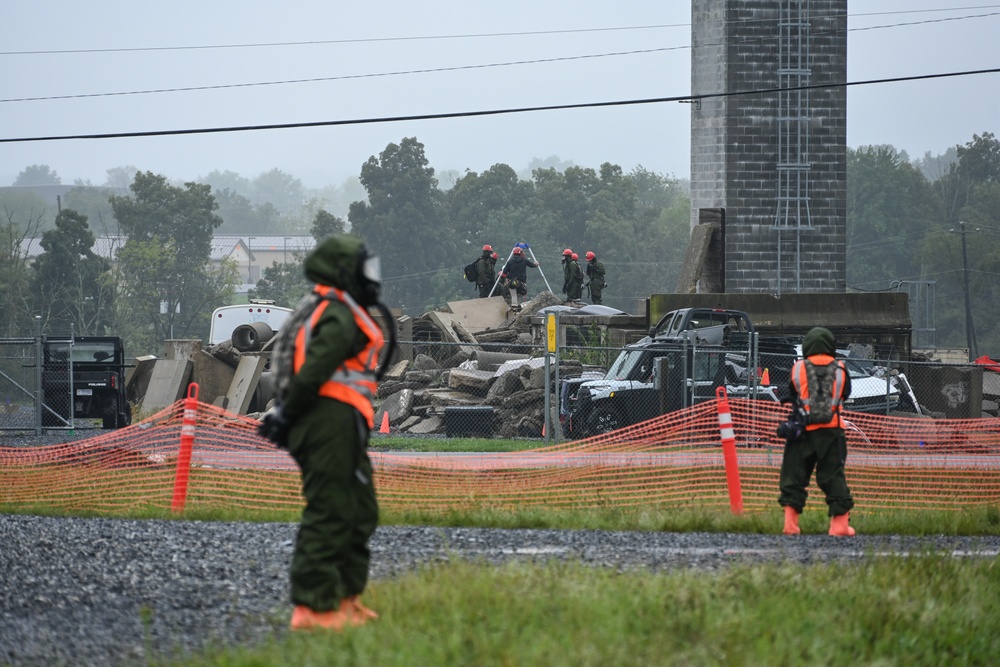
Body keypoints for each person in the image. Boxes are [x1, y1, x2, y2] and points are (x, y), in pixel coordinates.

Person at [257, 234, 396, 631]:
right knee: (332, 508)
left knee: (359, 508)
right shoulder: (336, 312)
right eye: (364, 270)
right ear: (345, 272)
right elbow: (315, 369)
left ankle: (347, 598)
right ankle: (313, 608)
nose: (371, 278)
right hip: (326, 418)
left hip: (342, 418)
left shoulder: (336, 307)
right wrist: (286, 415)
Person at [779, 326, 855, 537]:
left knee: (794, 475)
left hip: (802, 431)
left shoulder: (798, 368)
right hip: (832, 432)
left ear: (807, 346)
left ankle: (791, 525)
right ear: (831, 346)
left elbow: (793, 393)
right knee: (833, 476)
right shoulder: (841, 369)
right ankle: (839, 525)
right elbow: (845, 394)